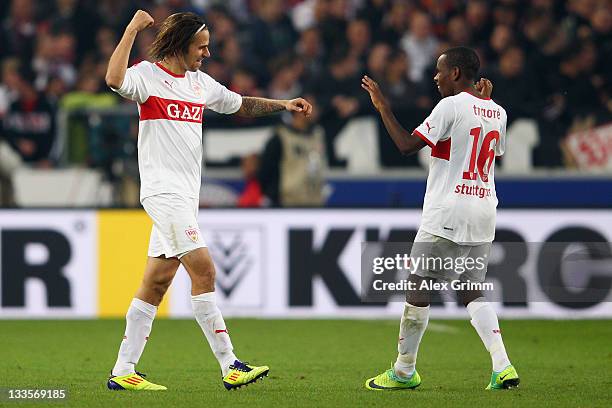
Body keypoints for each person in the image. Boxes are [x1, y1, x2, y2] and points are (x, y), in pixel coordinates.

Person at [104, 10, 312, 392]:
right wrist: (132, 27)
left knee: (156, 283)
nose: (207, 53)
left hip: (185, 196)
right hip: (163, 193)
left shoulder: (200, 84)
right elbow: (114, 79)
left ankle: (122, 371)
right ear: (182, 45)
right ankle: (229, 363)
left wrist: (283, 105)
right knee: (205, 271)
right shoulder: (148, 76)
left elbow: (240, 104)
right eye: (201, 46)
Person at [361, 46, 519, 391]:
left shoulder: (449, 105)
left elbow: (406, 146)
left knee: (418, 286)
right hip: (484, 209)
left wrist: (383, 107)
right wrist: (485, 104)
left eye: (440, 71)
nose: (435, 77)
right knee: (470, 288)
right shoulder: (499, 111)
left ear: (457, 74)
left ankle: (404, 371)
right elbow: (493, 149)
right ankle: (503, 366)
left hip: (448, 209)